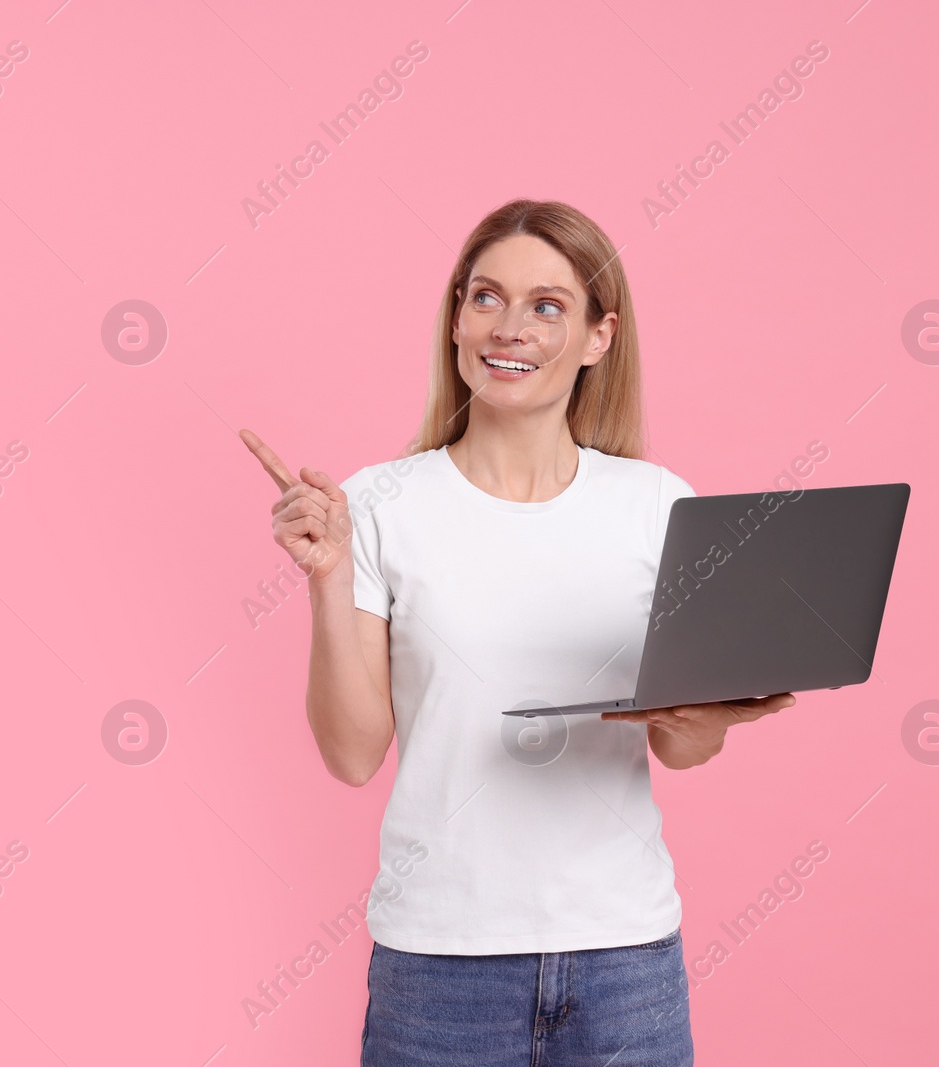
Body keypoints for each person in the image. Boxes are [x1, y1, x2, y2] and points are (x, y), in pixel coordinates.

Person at [239, 198, 796, 1066]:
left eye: (548, 306)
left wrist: (709, 719)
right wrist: (328, 577)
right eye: (486, 297)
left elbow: (685, 752)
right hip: (441, 965)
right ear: (457, 316)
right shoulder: (379, 505)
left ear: (599, 336)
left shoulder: (656, 505)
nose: (509, 328)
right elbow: (352, 755)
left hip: (624, 958)